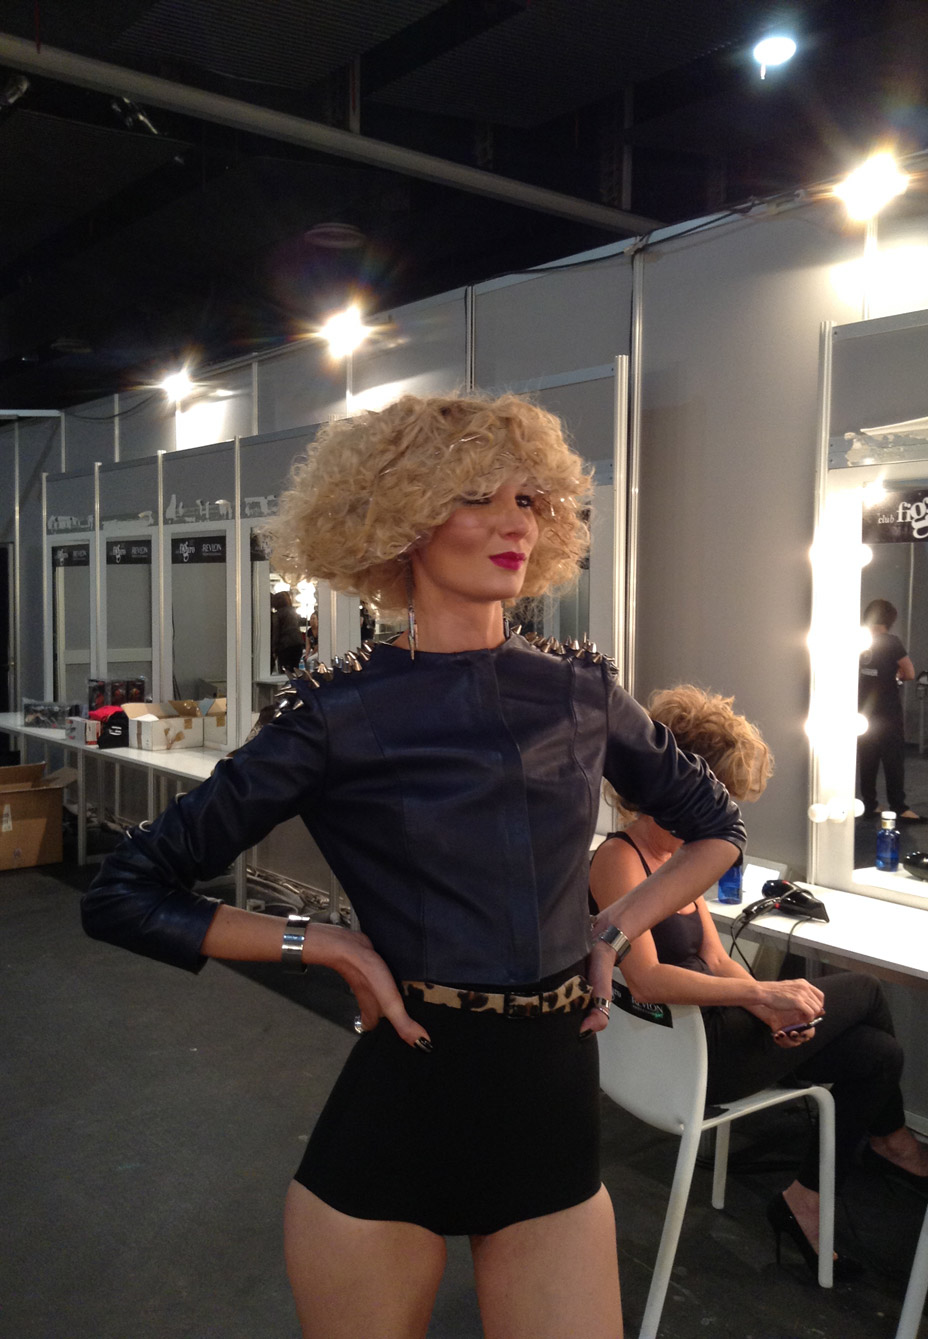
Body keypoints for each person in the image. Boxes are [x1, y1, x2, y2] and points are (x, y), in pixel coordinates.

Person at [81, 393, 745, 1339]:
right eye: (478, 495)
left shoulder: (582, 690)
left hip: (551, 1103)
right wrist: (328, 944)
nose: (516, 523)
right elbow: (125, 892)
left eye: (529, 499)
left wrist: (610, 928)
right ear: (402, 518)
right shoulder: (335, 711)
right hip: (407, 1100)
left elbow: (716, 825)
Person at [589, 684, 928, 1281]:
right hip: (689, 1059)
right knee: (867, 993)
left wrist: (771, 1007)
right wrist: (760, 994)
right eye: (714, 794)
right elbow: (645, 980)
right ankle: (893, 1142)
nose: (718, 809)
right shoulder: (619, 859)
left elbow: (714, 957)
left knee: (877, 1054)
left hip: (716, 1032)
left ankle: (807, 1199)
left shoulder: (682, 860)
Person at [857, 598, 926, 824]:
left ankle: (870, 804)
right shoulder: (891, 642)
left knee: (867, 758)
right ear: (890, 619)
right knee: (893, 759)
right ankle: (899, 807)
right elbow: (909, 673)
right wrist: (895, 675)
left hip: (863, 709)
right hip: (887, 709)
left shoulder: (860, 640)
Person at [271, 590, 303, 675]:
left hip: (285, 645)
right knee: (295, 668)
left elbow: (276, 633)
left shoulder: (278, 615)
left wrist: (274, 649)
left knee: (285, 671)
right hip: (297, 643)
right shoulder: (293, 612)